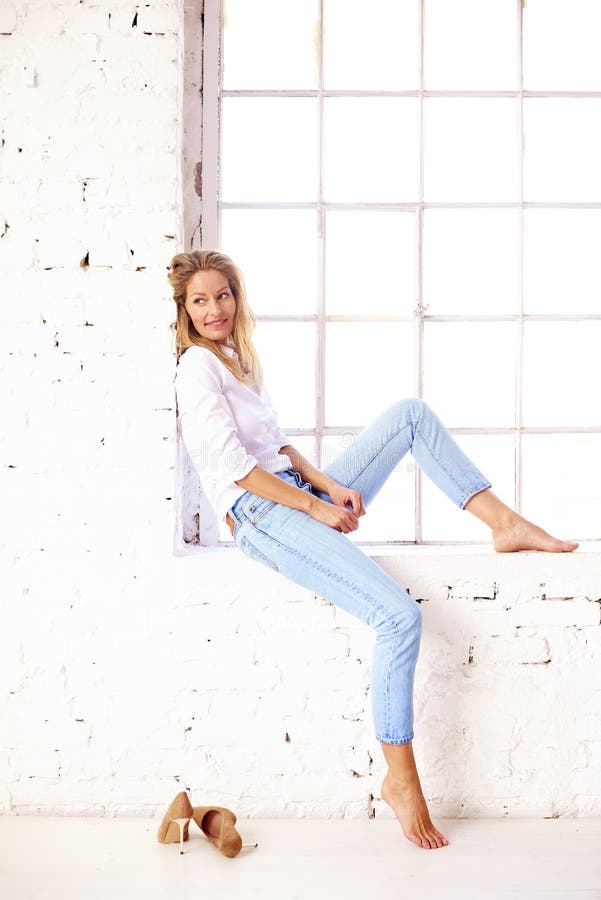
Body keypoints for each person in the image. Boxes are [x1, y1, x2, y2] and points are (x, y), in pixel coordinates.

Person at [168, 249, 578, 852]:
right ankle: (401, 778)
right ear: (185, 309)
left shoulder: (237, 360)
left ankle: (503, 522)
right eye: (199, 300)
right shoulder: (196, 369)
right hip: (261, 515)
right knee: (398, 617)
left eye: (223, 295)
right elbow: (234, 469)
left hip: (295, 491)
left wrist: (328, 485)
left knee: (408, 415)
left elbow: (276, 447)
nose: (214, 309)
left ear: (237, 297)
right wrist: (313, 508)